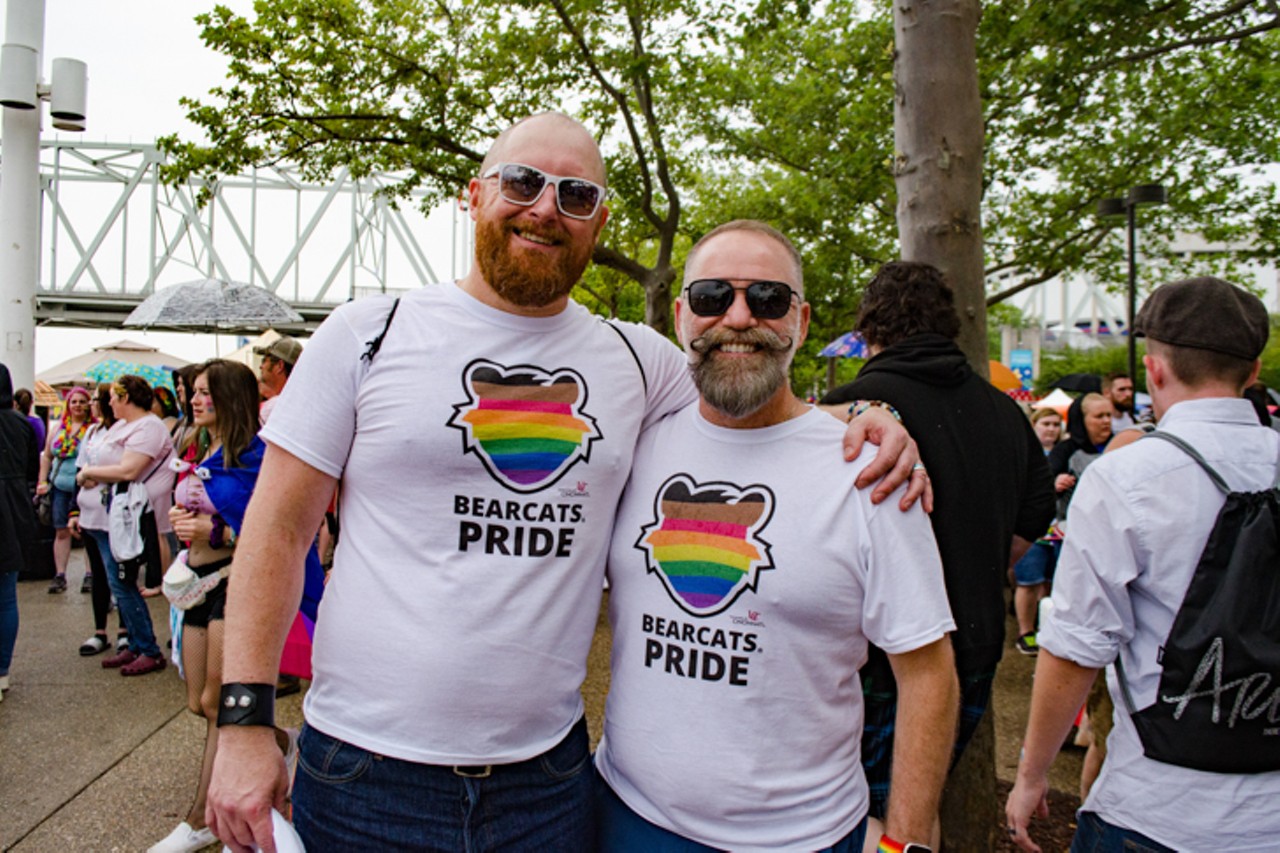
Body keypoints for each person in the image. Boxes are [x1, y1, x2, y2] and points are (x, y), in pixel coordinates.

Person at [206, 112, 923, 853]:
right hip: (364, 772)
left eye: (576, 194)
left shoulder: (636, 361)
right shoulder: (369, 332)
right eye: (523, 182)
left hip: (545, 786)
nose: (546, 207)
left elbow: (750, 380)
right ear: (475, 194)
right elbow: (279, 531)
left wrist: (872, 409)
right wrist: (243, 720)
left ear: (599, 220)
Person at [595, 221, 958, 852]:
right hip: (625, 816)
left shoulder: (868, 471)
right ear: (681, 316)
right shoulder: (634, 440)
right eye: (712, 297)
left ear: (802, 320)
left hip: (802, 838)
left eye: (766, 299)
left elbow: (928, 674)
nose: (738, 318)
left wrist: (907, 844)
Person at [1006, 277, 1280, 852]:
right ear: (1253, 371)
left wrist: (1031, 776)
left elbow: (1076, 647)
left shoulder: (1125, 478)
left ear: (1154, 371)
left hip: (1158, 808)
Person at [820, 261, 1055, 834]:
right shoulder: (1006, 411)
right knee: (918, 806)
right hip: (974, 645)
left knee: (859, 819)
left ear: (868, 331)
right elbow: (1034, 515)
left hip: (879, 659)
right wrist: (977, 564)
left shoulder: (855, 407)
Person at [151, 359, 319, 853]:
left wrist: (214, 530)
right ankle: (283, 744)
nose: (196, 400)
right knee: (201, 703)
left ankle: (202, 817)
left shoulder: (255, 454)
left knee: (228, 708)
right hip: (198, 583)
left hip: (234, 584)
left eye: (206, 392)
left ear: (230, 396)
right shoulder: (205, 447)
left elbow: (280, 529)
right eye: (193, 391)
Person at [75, 375, 176, 677]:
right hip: (104, 514)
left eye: (113, 397)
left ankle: (148, 648)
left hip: (124, 517)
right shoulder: (122, 426)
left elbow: (129, 469)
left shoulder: (149, 427)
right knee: (117, 581)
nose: (108, 402)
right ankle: (134, 642)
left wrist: (91, 473)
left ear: (126, 398)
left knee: (122, 582)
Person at [70, 384, 130, 655]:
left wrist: (96, 474)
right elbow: (80, 472)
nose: (91, 404)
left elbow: (123, 470)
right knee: (98, 574)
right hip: (89, 513)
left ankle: (124, 631)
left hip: (113, 516)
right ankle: (99, 631)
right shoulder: (92, 432)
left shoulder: (124, 431)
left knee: (118, 574)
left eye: (95, 399)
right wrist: (74, 511)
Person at [0, 364, 40, 703]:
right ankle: (1, 672)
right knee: (6, 595)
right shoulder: (22, 424)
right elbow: (31, 469)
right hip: (13, 508)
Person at [1011, 407, 1064, 655]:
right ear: (1035, 426)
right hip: (1033, 531)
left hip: (1059, 530)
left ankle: (1047, 627)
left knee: (1051, 583)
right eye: (1046, 424)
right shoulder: (1023, 452)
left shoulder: (1065, 452)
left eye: (1056, 424)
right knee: (1028, 581)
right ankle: (1025, 631)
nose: (1052, 429)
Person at [36, 386, 94, 593]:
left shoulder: (93, 429)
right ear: (68, 405)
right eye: (74, 401)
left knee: (88, 532)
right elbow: (47, 457)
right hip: (59, 486)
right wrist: (42, 481)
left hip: (84, 487)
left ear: (89, 405)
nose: (77, 405)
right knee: (61, 530)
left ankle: (90, 574)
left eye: (82, 401)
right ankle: (60, 574)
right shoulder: (59, 429)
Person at [1047, 393, 1111, 532]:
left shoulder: (1119, 445)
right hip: (1071, 528)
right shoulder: (1064, 450)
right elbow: (1045, 485)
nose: (1106, 421)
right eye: (1099, 416)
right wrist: (1057, 483)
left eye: (1108, 415)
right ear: (1082, 420)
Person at [253, 336, 302, 425]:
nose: (261, 366)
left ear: (279, 366)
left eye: (264, 361)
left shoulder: (273, 408)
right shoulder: (299, 402)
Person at [13, 386, 45, 452]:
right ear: (32, 402)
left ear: (15, 403)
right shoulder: (39, 421)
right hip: (36, 458)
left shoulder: (18, 422)